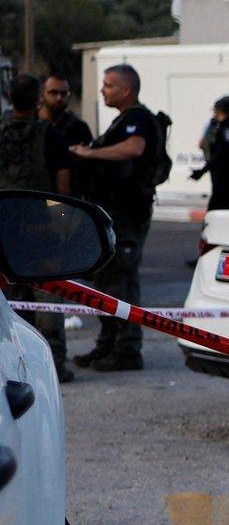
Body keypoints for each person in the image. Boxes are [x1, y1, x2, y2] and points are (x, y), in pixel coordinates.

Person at [68, 63, 162, 373]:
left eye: (108, 85)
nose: (102, 91)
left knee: (122, 282)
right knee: (106, 282)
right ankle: (107, 344)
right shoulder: (122, 120)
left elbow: (135, 149)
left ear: (126, 89)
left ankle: (127, 349)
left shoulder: (139, 119)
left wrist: (91, 154)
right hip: (112, 213)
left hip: (128, 214)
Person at [1, 74, 69, 381]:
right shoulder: (51, 135)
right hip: (41, 229)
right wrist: (63, 225)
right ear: (39, 99)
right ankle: (54, 362)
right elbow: (62, 187)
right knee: (49, 296)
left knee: (8, 300)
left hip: (4, 230)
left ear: (7, 95)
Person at [39, 75, 91, 197]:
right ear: (42, 94)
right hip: (36, 195)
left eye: (64, 94)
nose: (59, 98)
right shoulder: (33, 126)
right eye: (53, 92)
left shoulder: (79, 128)